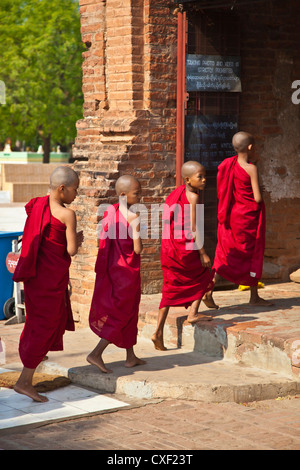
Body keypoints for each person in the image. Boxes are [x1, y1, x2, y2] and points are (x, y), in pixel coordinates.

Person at [13, 166, 83, 402]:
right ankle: (24, 381)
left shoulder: (37, 205)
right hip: (50, 281)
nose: (76, 195)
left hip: (36, 278)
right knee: (46, 325)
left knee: (37, 322)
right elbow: (71, 249)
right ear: (62, 189)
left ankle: (32, 360)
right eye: (75, 190)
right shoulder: (67, 214)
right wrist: (78, 238)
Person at [151, 161, 215, 351]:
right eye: (200, 177)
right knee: (204, 273)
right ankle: (193, 313)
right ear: (187, 179)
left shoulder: (174, 193)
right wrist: (202, 252)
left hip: (170, 248)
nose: (204, 180)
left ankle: (158, 331)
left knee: (169, 289)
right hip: (184, 248)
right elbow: (194, 228)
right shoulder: (193, 197)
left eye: (204, 176)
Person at [87, 175, 145, 373]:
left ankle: (130, 356)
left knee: (128, 312)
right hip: (127, 274)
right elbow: (137, 249)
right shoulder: (134, 217)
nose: (140, 196)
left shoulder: (109, 212)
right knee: (121, 315)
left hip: (113, 270)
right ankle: (96, 353)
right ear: (123, 194)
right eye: (137, 193)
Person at [213, 131, 271, 305]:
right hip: (248, 218)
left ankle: (210, 287)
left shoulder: (227, 164)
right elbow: (257, 198)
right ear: (251, 147)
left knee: (224, 253)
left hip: (233, 216)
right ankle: (254, 296)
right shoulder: (251, 168)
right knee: (252, 253)